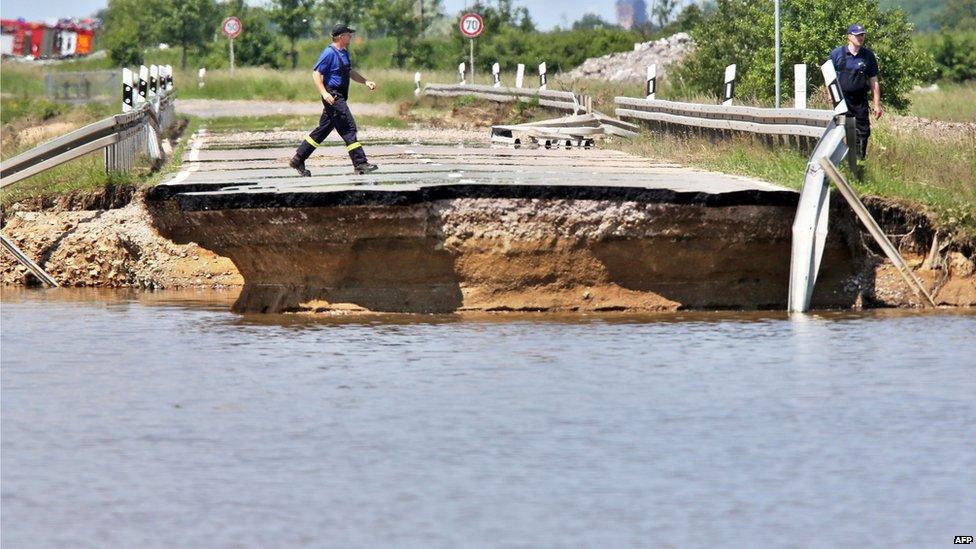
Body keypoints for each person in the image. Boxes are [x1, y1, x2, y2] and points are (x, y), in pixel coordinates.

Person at [289, 24, 379, 177]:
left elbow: (350, 71)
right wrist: (324, 93)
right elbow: (316, 74)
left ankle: (298, 158)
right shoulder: (328, 53)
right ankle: (360, 163)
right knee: (348, 128)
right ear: (340, 37)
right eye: (348, 34)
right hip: (333, 96)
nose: (350, 36)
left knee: (322, 130)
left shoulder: (344, 52)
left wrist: (365, 81)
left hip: (339, 96)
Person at [829, 23, 882, 160]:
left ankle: (859, 160)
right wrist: (830, 94)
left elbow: (874, 80)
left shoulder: (868, 56)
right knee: (841, 130)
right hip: (842, 99)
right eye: (857, 35)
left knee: (863, 131)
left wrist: (876, 104)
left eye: (862, 35)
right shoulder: (837, 54)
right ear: (849, 36)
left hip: (860, 100)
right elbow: (829, 76)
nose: (860, 37)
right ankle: (839, 159)